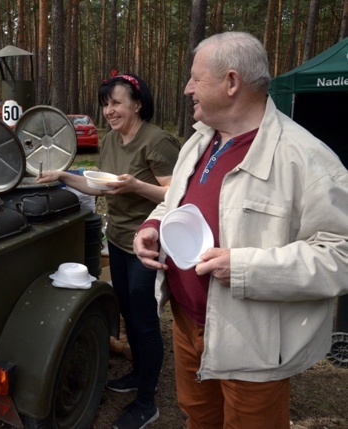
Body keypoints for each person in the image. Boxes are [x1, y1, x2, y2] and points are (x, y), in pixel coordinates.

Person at [134, 31, 348, 429]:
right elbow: (174, 200)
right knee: (197, 417)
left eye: (196, 78)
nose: (187, 89)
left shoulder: (307, 158)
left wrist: (248, 267)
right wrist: (154, 224)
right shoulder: (198, 142)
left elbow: (341, 254)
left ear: (231, 83)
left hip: (253, 341)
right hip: (186, 321)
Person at [37, 72, 180, 429]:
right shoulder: (113, 140)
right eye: (105, 104)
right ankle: (137, 373)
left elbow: (176, 195)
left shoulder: (157, 141)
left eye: (116, 102)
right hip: (116, 239)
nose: (109, 111)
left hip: (148, 244)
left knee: (145, 323)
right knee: (128, 316)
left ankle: (147, 402)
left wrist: (136, 186)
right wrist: (63, 175)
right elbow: (100, 186)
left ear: (137, 104)